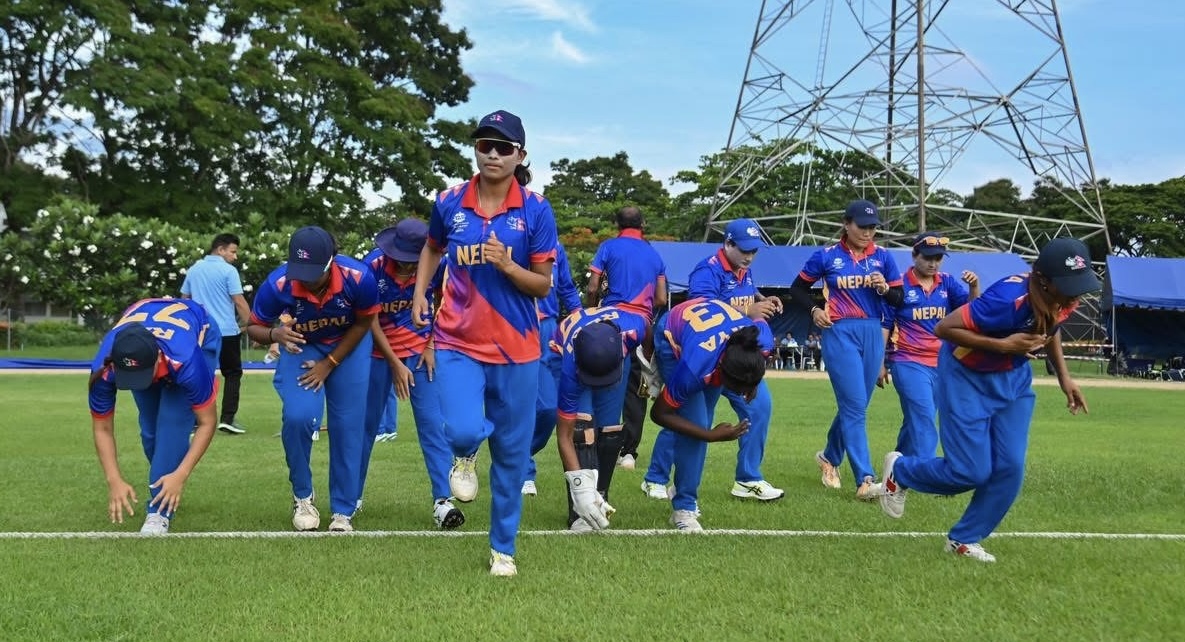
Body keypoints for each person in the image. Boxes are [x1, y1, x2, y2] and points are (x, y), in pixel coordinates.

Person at [880, 237, 1100, 562]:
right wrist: (1004, 346)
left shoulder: (1064, 297)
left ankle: (964, 539)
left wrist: (1064, 378)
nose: (1076, 295)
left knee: (1010, 468)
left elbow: (1051, 327)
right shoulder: (1007, 299)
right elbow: (944, 328)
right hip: (967, 377)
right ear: (1043, 280)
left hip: (1014, 381)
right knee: (969, 472)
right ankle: (901, 471)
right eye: (1070, 286)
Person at [410, 109, 558, 577]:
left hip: (518, 349)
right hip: (457, 339)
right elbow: (432, 247)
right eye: (484, 145)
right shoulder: (449, 201)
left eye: (503, 147)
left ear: (520, 155)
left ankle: (502, 549)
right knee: (461, 428)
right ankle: (466, 453)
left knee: (512, 455)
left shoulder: (536, 210)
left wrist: (508, 266)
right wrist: (420, 292)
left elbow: (543, 286)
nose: (492, 154)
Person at [246, 226, 379, 533]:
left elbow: (364, 323)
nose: (304, 280)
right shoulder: (279, 283)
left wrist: (328, 364)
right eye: (300, 271)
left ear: (331, 262)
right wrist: (275, 335)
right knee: (299, 417)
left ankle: (343, 510)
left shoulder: (359, 277)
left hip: (349, 347)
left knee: (347, 425)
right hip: (301, 345)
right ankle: (303, 496)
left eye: (312, 273)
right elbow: (253, 326)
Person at [642, 218, 784, 502]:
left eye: (754, 251)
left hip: (737, 355)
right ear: (727, 243)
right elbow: (702, 309)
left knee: (760, 406)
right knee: (692, 415)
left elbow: (745, 298)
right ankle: (656, 477)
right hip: (704, 351)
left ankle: (748, 478)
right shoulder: (707, 271)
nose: (749, 256)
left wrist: (761, 299)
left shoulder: (744, 270)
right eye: (744, 249)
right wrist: (749, 312)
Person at [788, 200, 903, 500]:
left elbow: (899, 298)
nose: (868, 233)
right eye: (862, 226)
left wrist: (885, 289)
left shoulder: (883, 257)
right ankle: (865, 479)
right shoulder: (826, 256)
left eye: (873, 227)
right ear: (846, 224)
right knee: (854, 407)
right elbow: (797, 289)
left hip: (872, 331)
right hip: (839, 331)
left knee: (857, 405)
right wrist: (814, 310)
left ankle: (829, 457)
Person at [87, 297, 221, 534]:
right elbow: (102, 428)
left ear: (158, 358)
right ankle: (166, 476)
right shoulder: (104, 368)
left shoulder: (186, 360)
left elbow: (207, 422)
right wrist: (113, 479)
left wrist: (181, 474)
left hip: (198, 332)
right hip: (149, 337)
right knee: (150, 434)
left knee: (171, 425)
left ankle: (158, 513)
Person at [362, 218, 463, 530]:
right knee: (365, 426)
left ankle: (443, 501)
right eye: (402, 259)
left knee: (433, 424)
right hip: (376, 353)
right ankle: (350, 498)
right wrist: (394, 362)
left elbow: (445, 305)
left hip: (421, 353)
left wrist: (431, 344)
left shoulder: (439, 265)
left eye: (413, 261)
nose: (407, 266)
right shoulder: (372, 267)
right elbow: (369, 319)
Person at [648, 297, 774, 531]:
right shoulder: (695, 368)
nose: (742, 393)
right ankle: (683, 508)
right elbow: (659, 414)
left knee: (744, 408)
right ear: (721, 371)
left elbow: (758, 318)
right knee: (696, 425)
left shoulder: (762, 341)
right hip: (673, 333)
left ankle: (684, 482)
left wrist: (753, 382)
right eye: (737, 388)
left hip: (711, 330)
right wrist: (709, 436)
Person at [881, 232, 979, 458]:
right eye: (927, 257)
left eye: (938, 258)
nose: (933, 263)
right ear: (914, 255)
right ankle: (927, 469)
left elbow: (971, 313)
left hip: (941, 363)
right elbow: (884, 325)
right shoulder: (899, 284)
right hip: (907, 360)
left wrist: (974, 287)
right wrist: (879, 363)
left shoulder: (947, 282)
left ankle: (897, 466)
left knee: (916, 419)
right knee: (924, 416)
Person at [586, 206, 668, 472]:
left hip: (611, 323)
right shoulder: (654, 254)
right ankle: (629, 452)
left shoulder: (608, 247)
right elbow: (661, 298)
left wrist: (591, 311)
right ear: (643, 224)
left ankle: (597, 442)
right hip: (642, 326)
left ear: (617, 225)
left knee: (603, 383)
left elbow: (593, 287)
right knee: (636, 388)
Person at [552, 306, 648, 532]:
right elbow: (564, 436)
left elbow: (649, 329)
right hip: (568, 354)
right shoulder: (570, 366)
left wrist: (649, 365)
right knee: (581, 429)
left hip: (613, 355)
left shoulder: (634, 329)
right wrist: (580, 489)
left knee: (610, 431)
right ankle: (579, 511)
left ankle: (600, 497)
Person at [523, 240, 583, 496]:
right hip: (516, 326)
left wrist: (582, 319)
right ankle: (523, 470)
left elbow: (566, 288)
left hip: (549, 330)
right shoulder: (507, 237)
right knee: (525, 403)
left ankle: (517, 455)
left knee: (550, 408)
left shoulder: (554, 247)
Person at [180, 233, 252, 434]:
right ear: (220, 250)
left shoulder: (194, 270)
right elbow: (239, 301)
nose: (235, 256)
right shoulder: (229, 271)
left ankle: (195, 421)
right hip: (227, 331)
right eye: (233, 252)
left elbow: (184, 300)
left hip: (201, 332)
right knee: (232, 373)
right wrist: (253, 326)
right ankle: (227, 419)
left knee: (200, 375)